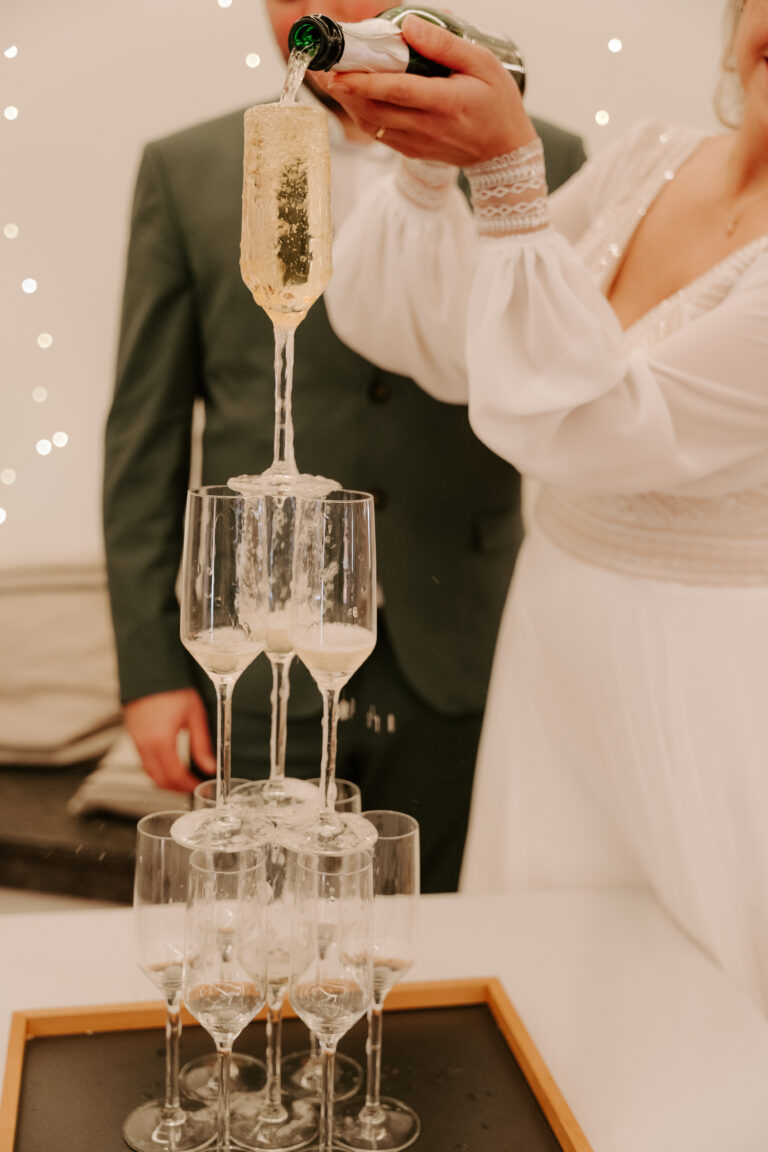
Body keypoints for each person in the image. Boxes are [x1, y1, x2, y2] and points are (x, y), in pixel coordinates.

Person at [321, 1, 768, 1011]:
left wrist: (513, 176)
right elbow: (454, 342)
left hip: (709, 670)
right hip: (558, 633)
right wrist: (434, 167)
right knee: (552, 982)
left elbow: (608, 428)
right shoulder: (652, 157)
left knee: (709, 995)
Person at [102, 1, 587, 893]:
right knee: (250, 928)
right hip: (256, 653)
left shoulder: (541, 155)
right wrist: (146, 668)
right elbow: (148, 430)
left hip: (468, 647)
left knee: (442, 939)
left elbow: (574, 386)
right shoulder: (188, 168)